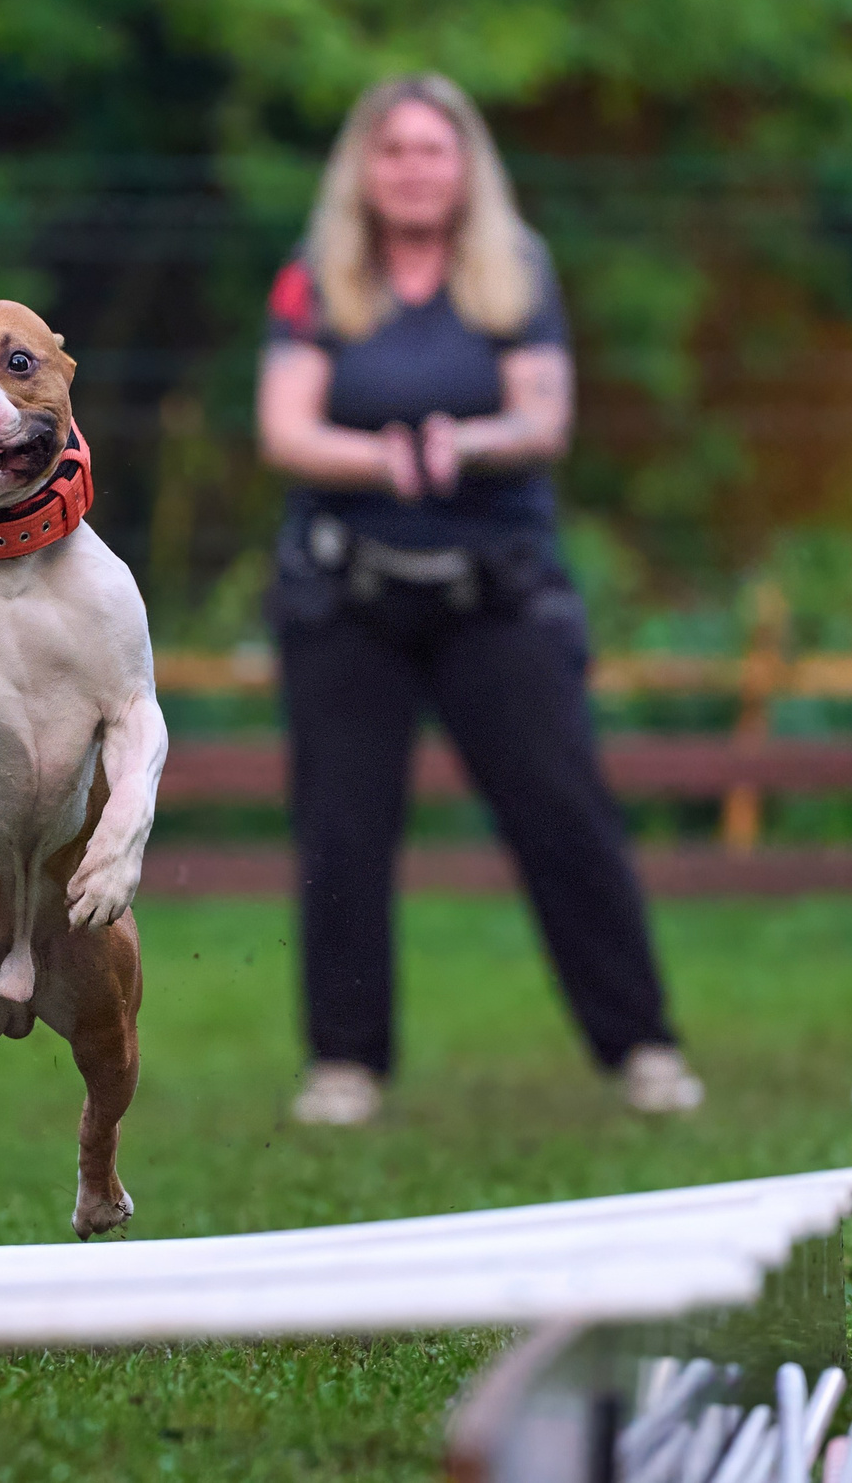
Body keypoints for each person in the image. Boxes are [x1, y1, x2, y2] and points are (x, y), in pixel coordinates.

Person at [253, 73, 703, 1126]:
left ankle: (641, 1044)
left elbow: (543, 418)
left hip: (496, 589)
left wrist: (464, 445)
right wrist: (383, 460)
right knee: (343, 830)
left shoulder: (516, 268)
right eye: (395, 151)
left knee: (564, 812)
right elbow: (286, 428)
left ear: (467, 167)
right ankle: (344, 1064)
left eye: (434, 151)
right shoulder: (313, 278)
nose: (415, 169)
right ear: (364, 167)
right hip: (345, 593)